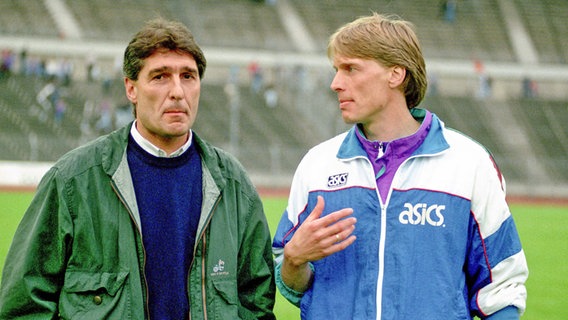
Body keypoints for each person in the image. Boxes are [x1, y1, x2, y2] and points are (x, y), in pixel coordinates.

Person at [0, 18, 276, 320]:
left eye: (188, 76)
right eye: (160, 77)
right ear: (131, 88)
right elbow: (24, 304)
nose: (177, 92)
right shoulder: (72, 181)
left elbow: (256, 302)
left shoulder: (234, 185)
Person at [272, 12, 528, 319]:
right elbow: (292, 285)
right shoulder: (317, 166)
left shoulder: (469, 163)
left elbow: (501, 289)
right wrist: (293, 261)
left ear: (396, 74)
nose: (335, 84)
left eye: (351, 69)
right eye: (336, 69)